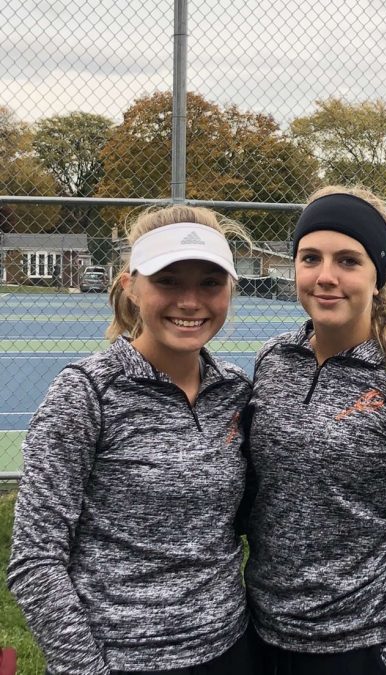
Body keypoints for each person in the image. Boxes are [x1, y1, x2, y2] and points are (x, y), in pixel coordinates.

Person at [8, 205, 256, 674]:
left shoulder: (236, 391)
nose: (190, 301)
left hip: (232, 649)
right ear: (131, 286)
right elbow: (36, 561)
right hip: (123, 660)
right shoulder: (85, 394)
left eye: (209, 282)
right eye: (168, 281)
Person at [244, 186, 386, 674]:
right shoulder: (272, 360)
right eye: (310, 258)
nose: (326, 277)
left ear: (377, 277)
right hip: (263, 637)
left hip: (365, 646)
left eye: (348, 261)